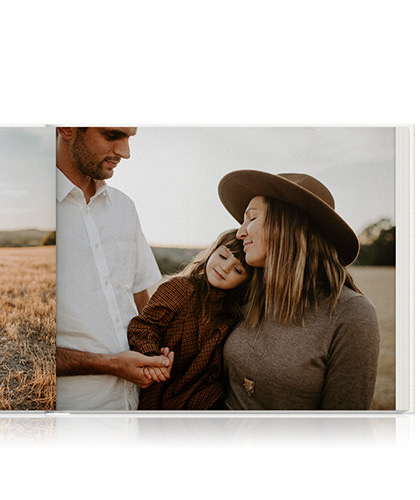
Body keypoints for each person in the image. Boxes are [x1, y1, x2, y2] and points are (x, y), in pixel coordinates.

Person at [217, 170, 380, 410]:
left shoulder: (351, 314)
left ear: (288, 225)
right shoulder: (244, 291)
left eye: (251, 218)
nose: (240, 232)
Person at [56, 127, 173, 411]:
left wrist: (154, 352)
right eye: (112, 136)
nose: (125, 152)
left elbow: (138, 296)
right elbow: (31, 351)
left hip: (135, 406)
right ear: (68, 127)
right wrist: (110, 365)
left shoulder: (124, 207)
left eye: (129, 137)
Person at [127, 229, 253, 410]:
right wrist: (152, 356)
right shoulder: (179, 289)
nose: (225, 268)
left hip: (205, 400)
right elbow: (144, 326)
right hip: (164, 384)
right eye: (223, 257)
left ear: (245, 281)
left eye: (237, 269)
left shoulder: (233, 313)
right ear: (212, 252)